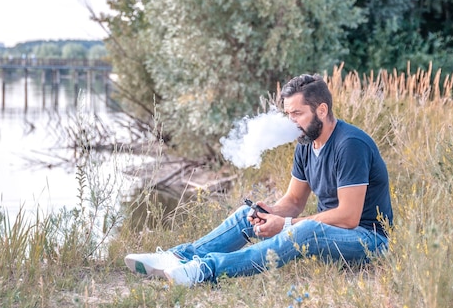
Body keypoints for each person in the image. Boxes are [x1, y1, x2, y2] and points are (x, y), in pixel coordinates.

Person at [125, 74, 393, 286]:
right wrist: (272, 212)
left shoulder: (350, 144)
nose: (291, 122)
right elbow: (294, 200)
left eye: (297, 113)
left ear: (321, 109)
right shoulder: (306, 143)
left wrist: (285, 224)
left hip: (368, 240)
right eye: (288, 114)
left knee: (302, 230)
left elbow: (349, 217)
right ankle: (177, 257)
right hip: (330, 231)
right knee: (248, 213)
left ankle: (206, 269)